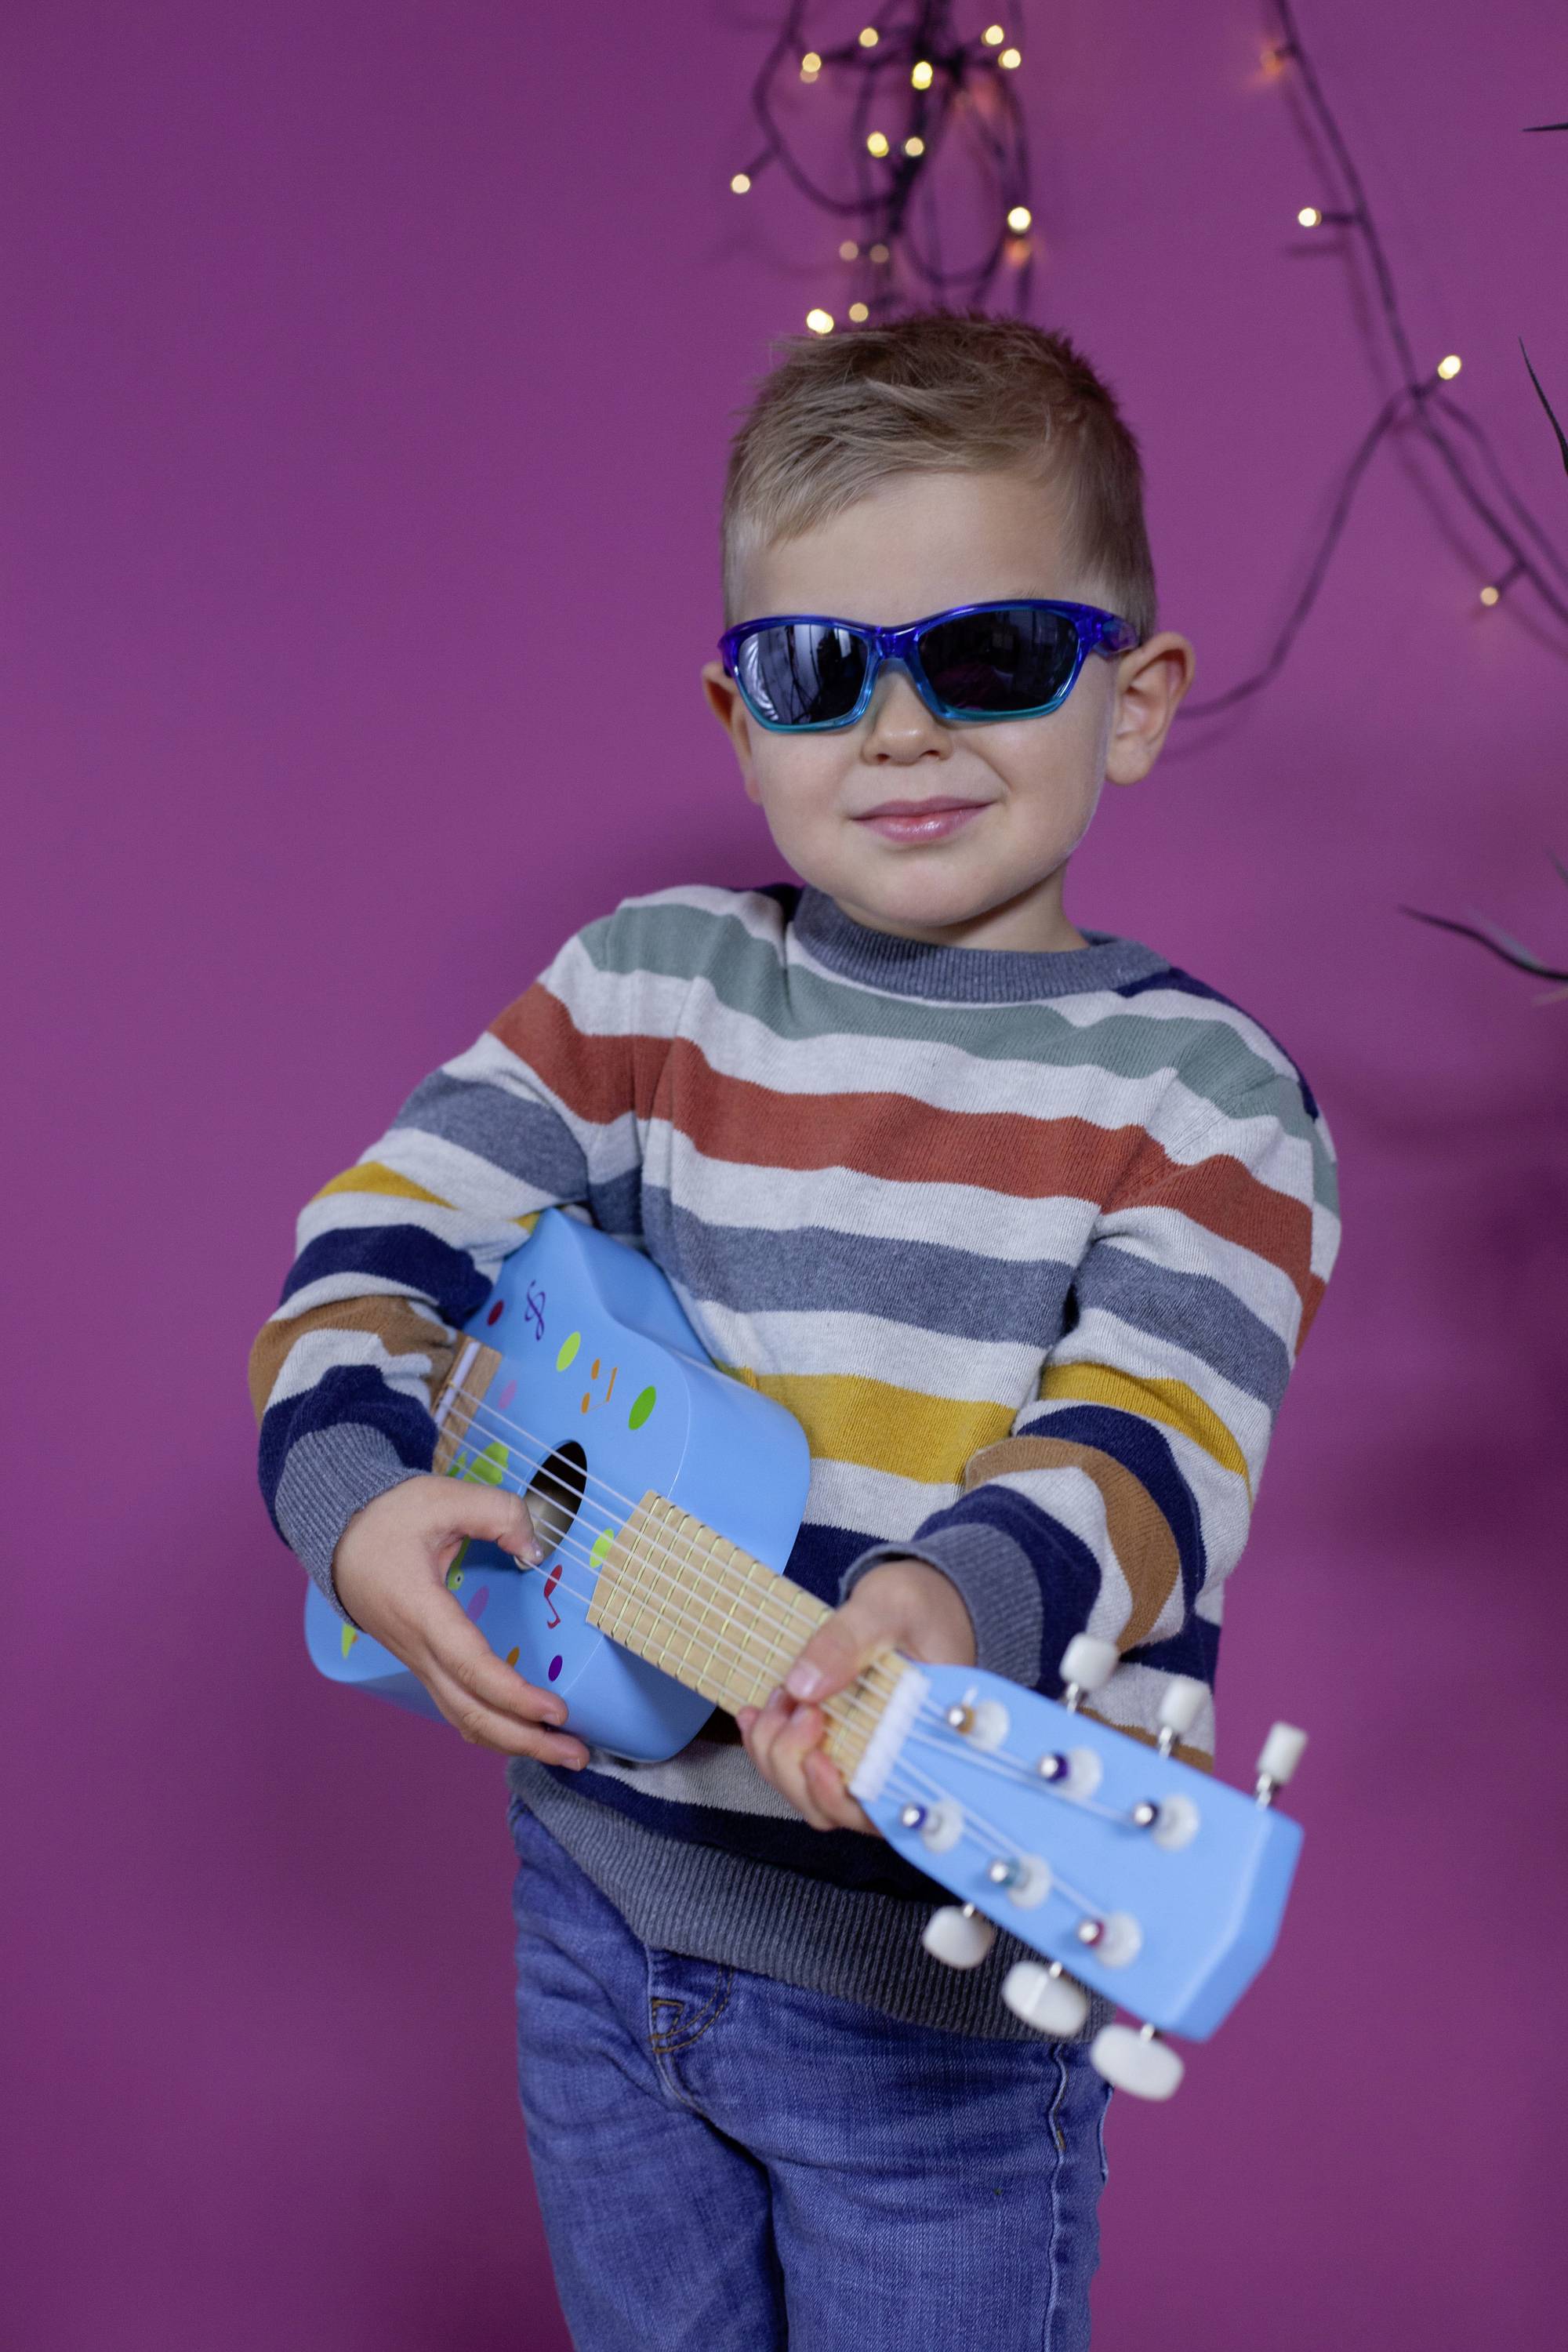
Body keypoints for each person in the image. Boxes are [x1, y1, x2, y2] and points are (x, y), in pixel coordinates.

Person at [249, 310, 1339, 2350]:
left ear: (1134, 701)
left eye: (992, 655)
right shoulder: (645, 990)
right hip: (596, 1911)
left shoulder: (1207, 1099)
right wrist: (352, 1500)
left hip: (933, 2007)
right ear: (739, 719)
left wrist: (944, 1602)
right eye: (821, 670)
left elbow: (1152, 1443)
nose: (901, 730)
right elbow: (385, 1232)